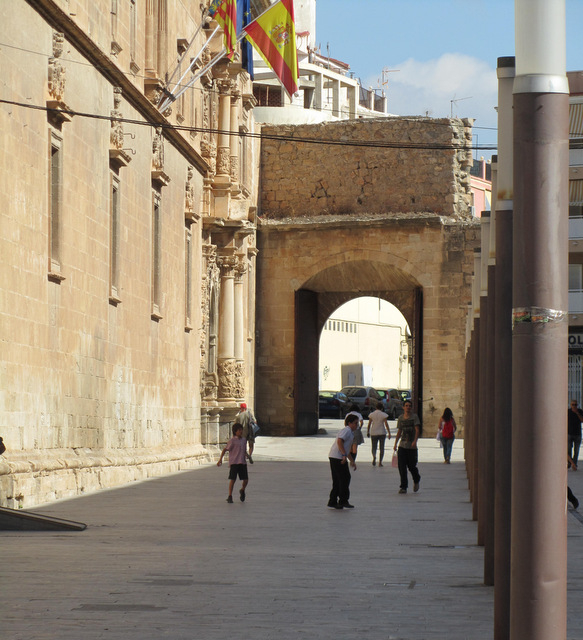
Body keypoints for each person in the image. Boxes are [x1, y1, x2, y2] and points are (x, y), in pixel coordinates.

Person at [327, 414, 358, 510]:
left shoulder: (350, 432)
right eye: (355, 423)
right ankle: (343, 500)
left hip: (337, 456)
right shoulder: (346, 430)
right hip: (337, 457)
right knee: (344, 478)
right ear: (349, 423)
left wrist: (352, 460)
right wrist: (343, 455)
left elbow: (346, 448)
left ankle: (333, 501)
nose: (357, 425)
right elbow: (340, 441)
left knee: (338, 480)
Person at [393, 399, 421, 494]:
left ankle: (416, 479)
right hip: (402, 446)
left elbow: (417, 430)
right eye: (406, 406)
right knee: (401, 467)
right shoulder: (400, 418)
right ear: (403, 407)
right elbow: (400, 431)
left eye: (409, 406)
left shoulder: (414, 417)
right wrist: (396, 443)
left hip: (411, 447)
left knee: (412, 466)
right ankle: (403, 486)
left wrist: (415, 441)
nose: (408, 407)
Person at [217, 423, 249, 503]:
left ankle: (242, 490)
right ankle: (230, 495)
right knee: (233, 479)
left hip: (242, 462)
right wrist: (220, 459)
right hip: (234, 462)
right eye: (239, 430)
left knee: (245, 480)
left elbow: (244, 450)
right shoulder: (232, 441)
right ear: (235, 431)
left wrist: (247, 455)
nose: (241, 432)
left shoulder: (244, 440)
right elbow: (225, 449)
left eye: (241, 430)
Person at [367, 402, 391, 466]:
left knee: (374, 446)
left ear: (376, 407)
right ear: (382, 408)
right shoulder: (384, 415)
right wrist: (389, 432)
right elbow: (386, 424)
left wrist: (368, 431)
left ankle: (374, 456)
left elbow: (369, 424)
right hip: (382, 432)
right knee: (381, 447)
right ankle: (380, 462)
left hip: (373, 432)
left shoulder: (371, 414)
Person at [568, 400, 583, 467]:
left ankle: (574, 463)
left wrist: (577, 413)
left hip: (578, 434)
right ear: (570, 405)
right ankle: (569, 463)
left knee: (576, 450)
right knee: (568, 449)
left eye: (575, 405)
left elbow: (582, 420)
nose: (574, 406)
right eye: (573, 405)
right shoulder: (568, 412)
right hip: (569, 433)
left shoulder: (580, 411)